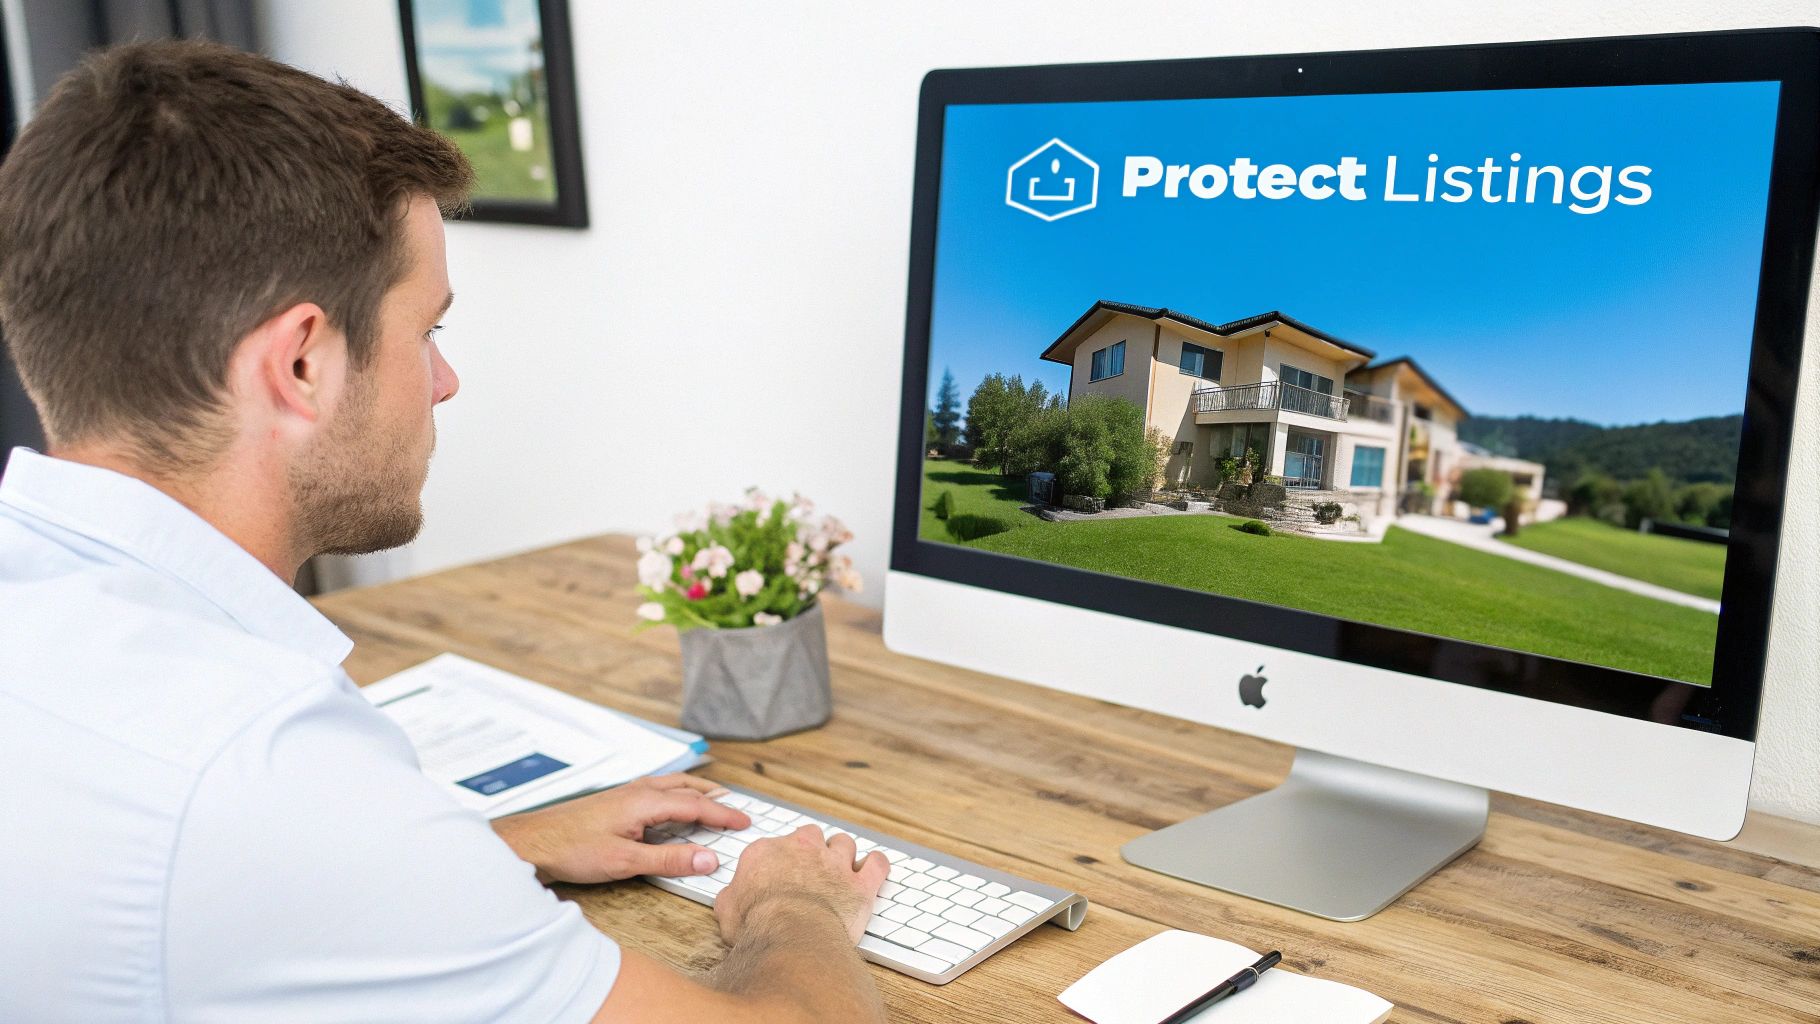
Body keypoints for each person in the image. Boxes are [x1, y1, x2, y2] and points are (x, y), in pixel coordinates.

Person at [0, 39, 887, 1022]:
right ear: (300, 364)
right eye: (427, 330)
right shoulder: (268, 775)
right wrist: (792, 907)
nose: (444, 381)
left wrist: (473, 851)